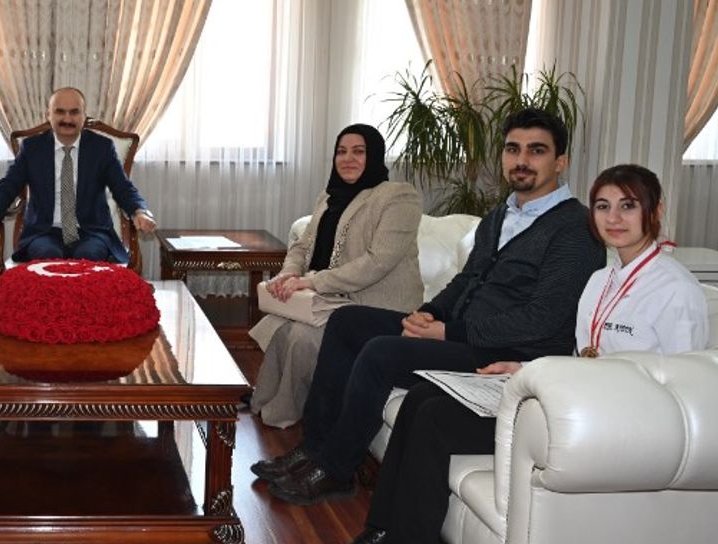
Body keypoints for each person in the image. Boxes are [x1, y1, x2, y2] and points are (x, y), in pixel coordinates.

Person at [254, 108, 606, 504]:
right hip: (462, 334)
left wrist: (447, 331)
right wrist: (430, 313)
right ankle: (314, 448)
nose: (521, 160)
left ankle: (336, 470)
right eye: (513, 149)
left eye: (536, 150)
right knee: (348, 321)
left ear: (560, 162)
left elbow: (543, 318)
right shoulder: (501, 215)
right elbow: (466, 280)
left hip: (506, 353)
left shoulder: (576, 228)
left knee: (381, 352)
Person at [350, 163, 708, 544]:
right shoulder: (600, 280)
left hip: (617, 426)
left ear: (656, 210)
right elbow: (583, 359)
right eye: (603, 206)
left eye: (628, 206)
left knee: (435, 419)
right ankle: (381, 529)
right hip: (580, 402)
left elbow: (685, 394)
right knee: (422, 398)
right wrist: (522, 367)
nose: (613, 218)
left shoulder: (675, 290)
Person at [248, 124, 422, 429]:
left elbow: (377, 262)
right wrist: (289, 273)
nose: (348, 159)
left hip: (375, 306)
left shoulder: (399, 197)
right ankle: (262, 401)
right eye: (341, 152)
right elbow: (302, 246)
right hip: (330, 299)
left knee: (302, 337)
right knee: (279, 326)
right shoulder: (328, 197)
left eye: (358, 151)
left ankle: (285, 415)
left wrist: (312, 281)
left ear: (374, 155)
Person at [0, 87, 156, 263]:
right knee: (48, 256)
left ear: (84, 116)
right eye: (60, 112)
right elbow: (8, 185)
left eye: (74, 112)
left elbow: (123, 188)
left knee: (88, 257)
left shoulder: (102, 148)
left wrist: (139, 212)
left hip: (91, 232)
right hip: (44, 232)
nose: (67, 118)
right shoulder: (32, 148)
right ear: (49, 115)